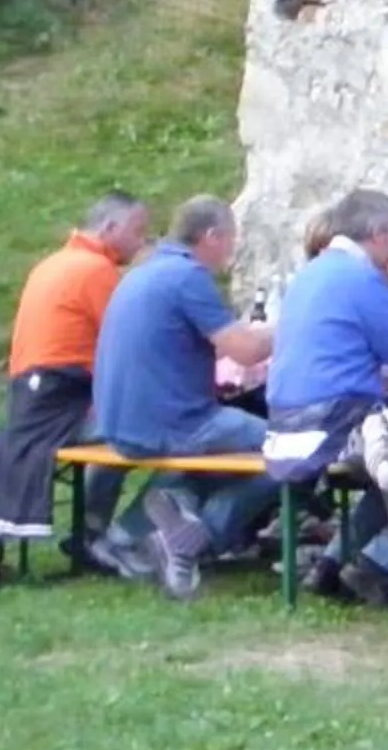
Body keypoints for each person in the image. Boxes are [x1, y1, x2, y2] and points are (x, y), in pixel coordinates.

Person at [88, 195, 277, 600]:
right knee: (285, 453)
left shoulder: (144, 271)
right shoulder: (188, 278)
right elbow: (245, 351)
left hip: (118, 421)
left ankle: (131, 531)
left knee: (219, 452)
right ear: (212, 236)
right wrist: (294, 325)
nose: (232, 250)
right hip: (173, 422)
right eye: (231, 239)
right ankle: (194, 543)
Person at [0, 192, 151, 552]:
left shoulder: (55, 263)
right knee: (140, 430)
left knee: (125, 427)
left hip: (29, 401)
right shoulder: (94, 271)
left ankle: (93, 529)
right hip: (61, 404)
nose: (141, 241)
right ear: (110, 227)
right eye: (137, 231)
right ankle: (99, 532)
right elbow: (132, 341)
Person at [267, 187, 388, 605]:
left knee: (386, 471)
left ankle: (332, 563)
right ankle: (387, 567)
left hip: (284, 414)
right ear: (377, 233)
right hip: (332, 419)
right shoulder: (363, 276)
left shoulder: (311, 272)